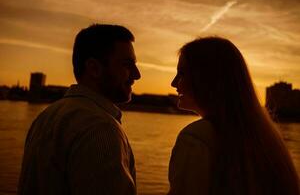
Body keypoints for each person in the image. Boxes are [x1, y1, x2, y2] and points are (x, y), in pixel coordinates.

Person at [18, 24, 141, 195]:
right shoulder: (100, 127)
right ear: (94, 69)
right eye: (127, 65)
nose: (137, 74)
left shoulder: (47, 116)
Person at [168, 36, 299, 195]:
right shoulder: (267, 139)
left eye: (181, 74)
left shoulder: (195, 138)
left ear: (207, 78)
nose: (174, 83)